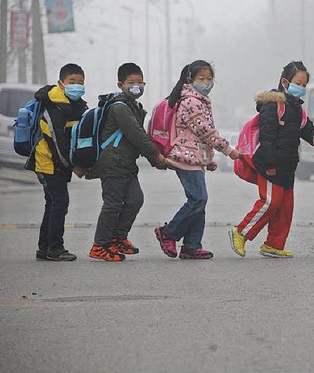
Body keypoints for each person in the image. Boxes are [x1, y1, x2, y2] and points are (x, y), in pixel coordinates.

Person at [154, 61, 241, 259]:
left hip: (194, 157)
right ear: (190, 80)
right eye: (201, 78)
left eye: (209, 79)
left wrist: (207, 159)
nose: (206, 82)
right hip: (184, 157)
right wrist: (229, 151)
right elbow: (206, 131)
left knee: (198, 203)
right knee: (198, 198)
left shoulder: (200, 100)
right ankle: (168, 233)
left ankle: (192, 245)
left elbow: (198, 136)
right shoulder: (192, 101)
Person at [229, 61, 314, 258]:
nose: (301, 88)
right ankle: (241, 232)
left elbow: (310, 132)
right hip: (271, 163)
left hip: (288, 164)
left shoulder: (297, 109)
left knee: (286, 207)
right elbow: (267, 136)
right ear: (285, 82)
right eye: (298, 83)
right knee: (270, 202)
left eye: (304, 85)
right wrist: (269, 165)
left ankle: (274, 244)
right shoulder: (273, 104)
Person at [88, 63, 166, 262]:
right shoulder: (120, 107)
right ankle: (100, 245)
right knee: (112, 204)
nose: (136, 86)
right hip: (113, 162)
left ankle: (117, 238)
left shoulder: (134, 106)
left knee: (135, 200)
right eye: (131, 83)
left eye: (140, 82)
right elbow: (136, 135)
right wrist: (155, 157)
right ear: (120, 84)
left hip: (126, 163)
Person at [27, 63, 88, 261]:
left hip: (58, 162)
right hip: (48, 162)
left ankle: (44, 247)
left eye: (80, 82)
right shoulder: (54, 106)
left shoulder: (77, 105)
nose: (77, 86)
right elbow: (58, 143)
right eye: (72, 82)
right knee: (60, 202)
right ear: (61, 83)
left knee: (52, 203)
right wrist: (74, 166)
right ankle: (55, 248)